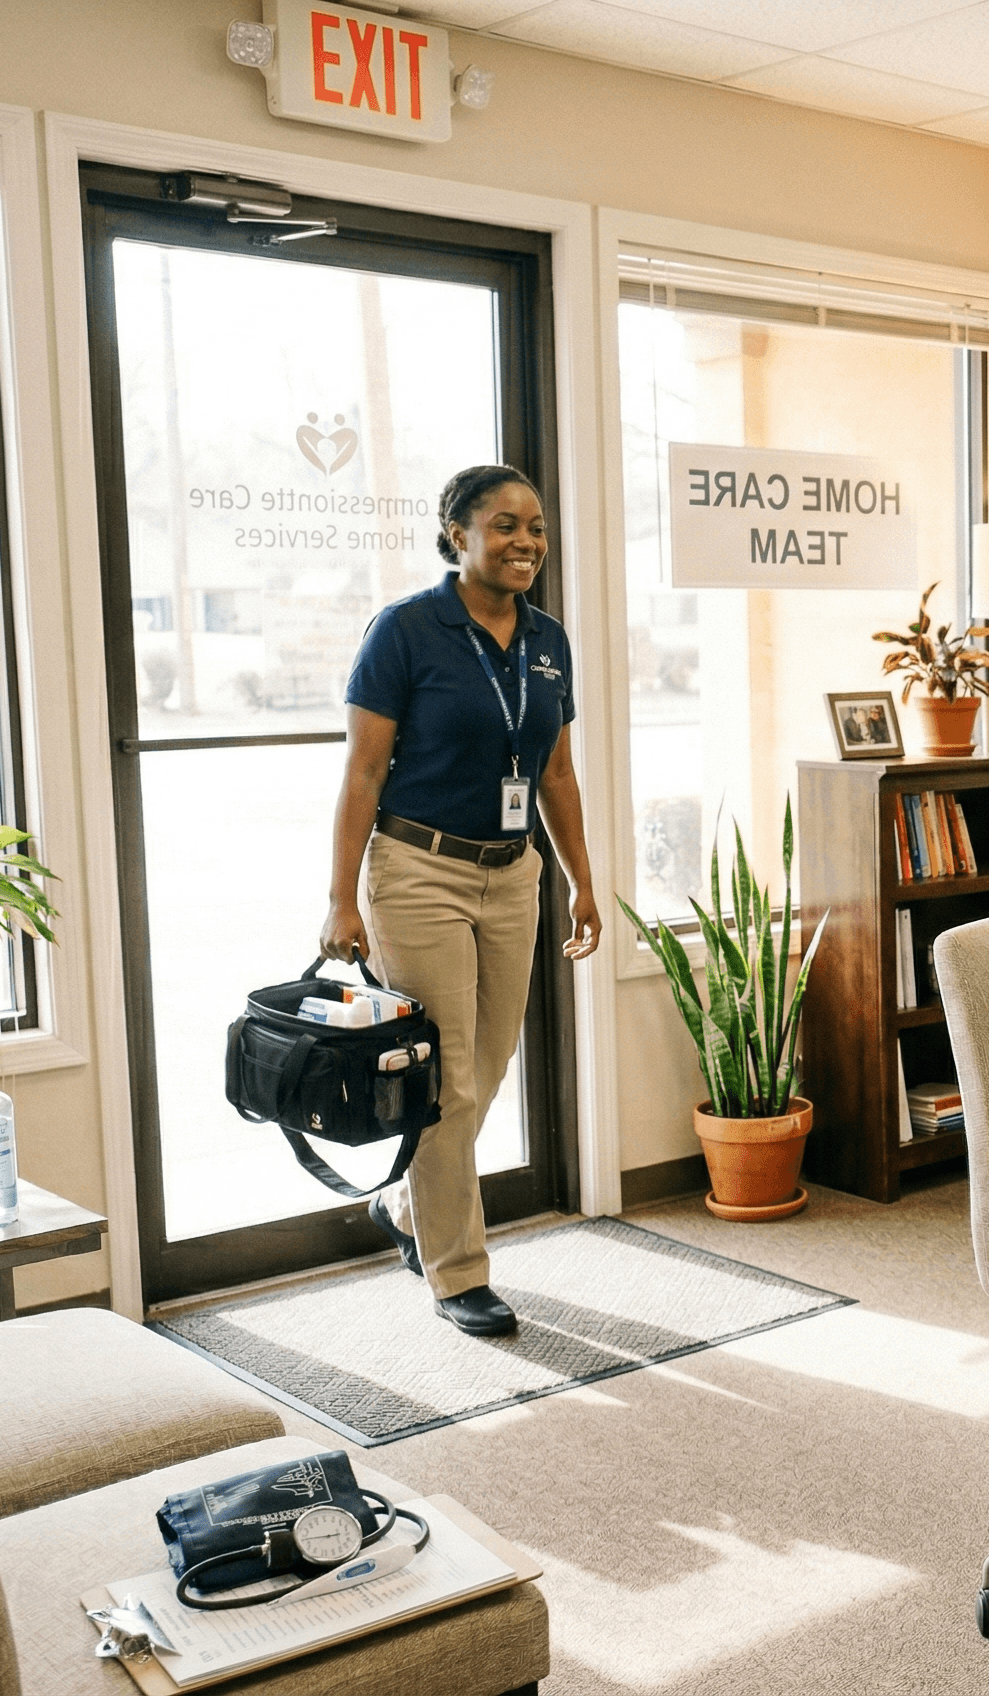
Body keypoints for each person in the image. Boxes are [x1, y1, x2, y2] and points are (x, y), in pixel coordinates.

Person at [321, 465, 601, 1338]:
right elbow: (363, 772)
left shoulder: (547, 638)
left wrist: (581, 879)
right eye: (506, 526)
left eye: (538, 529)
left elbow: (553, 769)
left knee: (490, 1065)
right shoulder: (407, 631)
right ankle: (457, 1273)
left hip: (512, 872)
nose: (527, 543)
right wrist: (341, 899)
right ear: (457, 535)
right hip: (419, 870)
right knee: (448, 1076)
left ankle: (406, 1209)